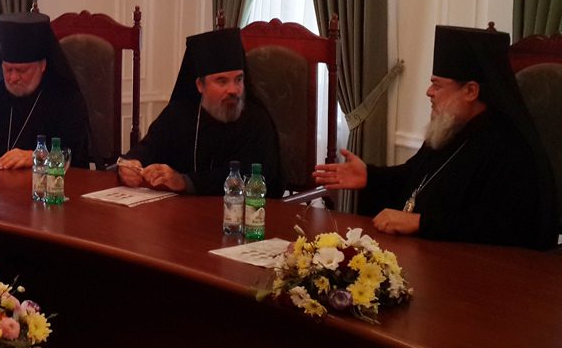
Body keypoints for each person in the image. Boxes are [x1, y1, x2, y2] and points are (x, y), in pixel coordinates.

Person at [314, 25, 557, 248]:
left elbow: (500, 227)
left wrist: (420, 223)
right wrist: (370, 176)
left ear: (471, 91)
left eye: (438, 85)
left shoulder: (510, 147)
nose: (429, 92)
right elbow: (414, 177)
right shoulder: (450, 128)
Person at [118, 28, 282, 196]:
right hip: (179, 209)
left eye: (238, 79)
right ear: (200, 85)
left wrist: (184, 182)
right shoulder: (178, 114)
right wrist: (129, 165)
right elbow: (148, 148)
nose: (233, 90)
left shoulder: (256, 120)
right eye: (222, 81)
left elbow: (249, 177)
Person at [0, 12, 90, 169]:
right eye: (8, 69)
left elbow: (75, 154)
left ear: (42, 66)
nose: (13, 77)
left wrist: (37, 157)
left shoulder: (66, 97)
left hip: (44, 182)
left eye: (22, 71)